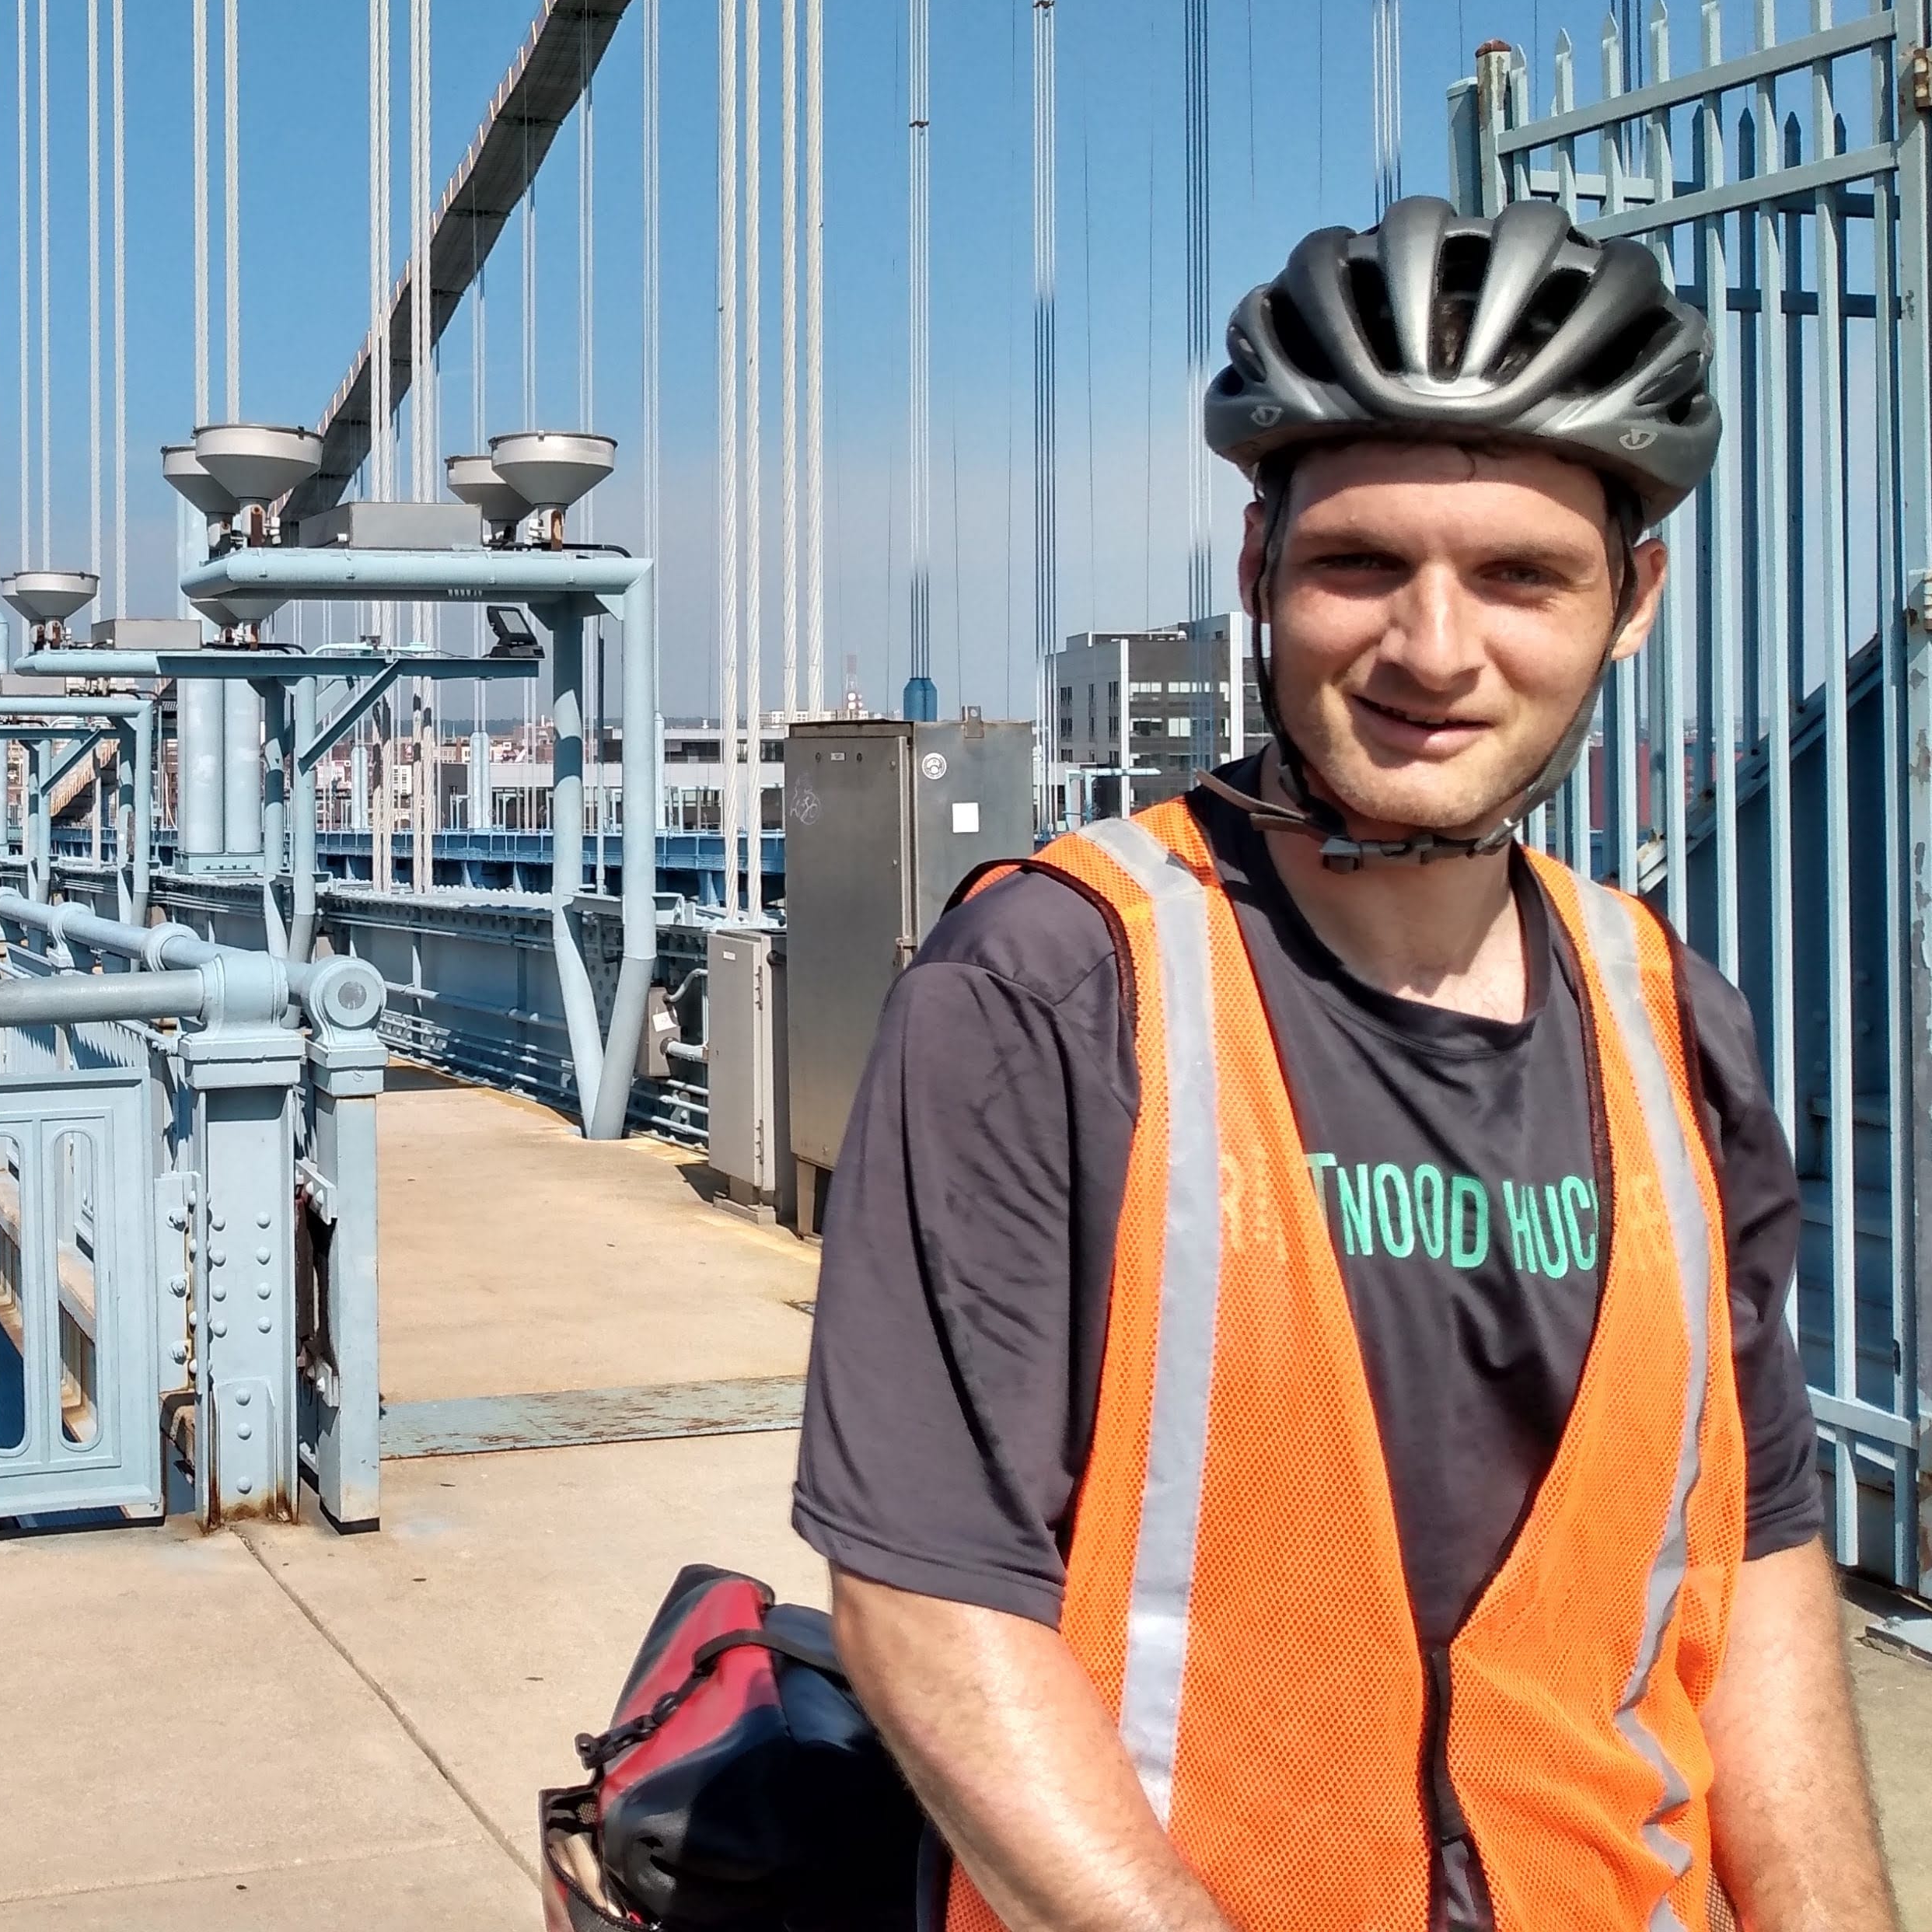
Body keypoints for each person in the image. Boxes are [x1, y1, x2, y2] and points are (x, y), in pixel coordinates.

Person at [795, 197, 1895, 1929]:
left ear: (1631, 600)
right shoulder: (1055, 990)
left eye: (1521, 575)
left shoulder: (1668, 1012)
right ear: (1258, 577)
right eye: (1360, 564)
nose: (1434, 652)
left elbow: (1750, 1562)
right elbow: (928, 1604)